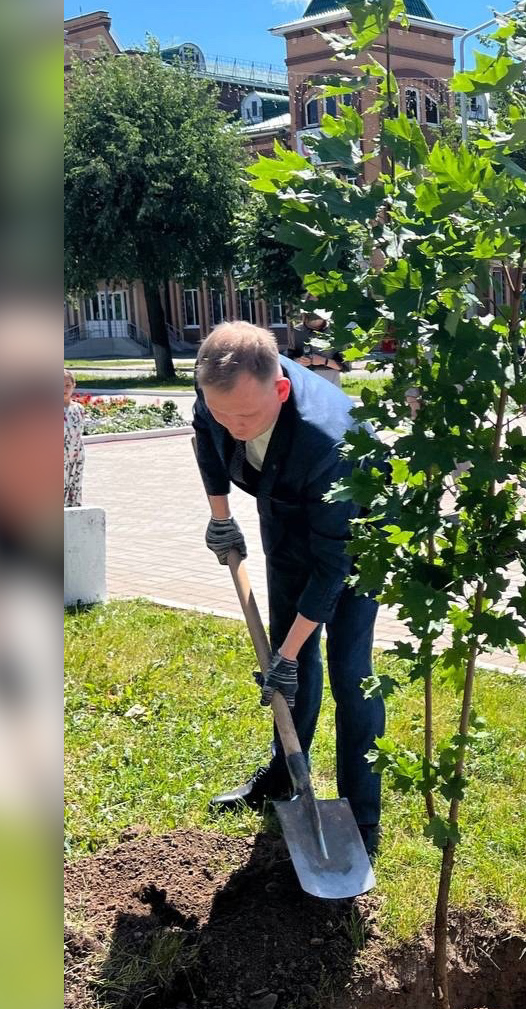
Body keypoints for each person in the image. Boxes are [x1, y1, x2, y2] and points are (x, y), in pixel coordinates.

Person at [190, 321, 386, 859]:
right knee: (291, 658)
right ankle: (284, 776)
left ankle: (361, 816)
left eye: (246, 418)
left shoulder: (331, 442)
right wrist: (221, 518)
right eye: (221, 412)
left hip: (356, 530)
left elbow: (332, 565)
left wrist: (288, 653)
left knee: (350, 671)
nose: (232, 426)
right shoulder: (220, 386)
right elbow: (206, 439)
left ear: (280, 389)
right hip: (283, 507)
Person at [63, 370, 86, 507]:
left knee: (75, 488)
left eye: (67, 385)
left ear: (73, 386)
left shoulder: (78, 409)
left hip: (76, 457)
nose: (64, 389)